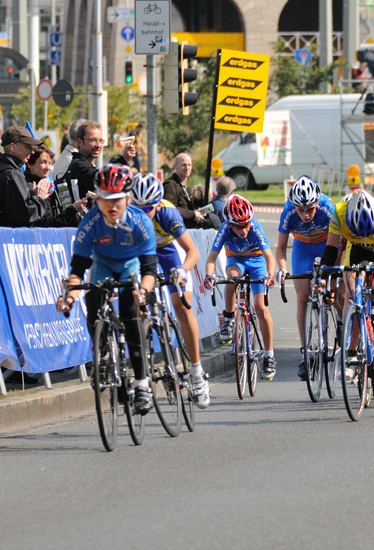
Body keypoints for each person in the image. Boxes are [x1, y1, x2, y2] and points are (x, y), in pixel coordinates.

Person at [56, 164, 158, 414]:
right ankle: (102, 354)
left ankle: (142, 383)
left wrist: (142, 292)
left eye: (117, 200)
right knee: (93, 302)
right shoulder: (90, 222)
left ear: (128, 198)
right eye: (105, 200)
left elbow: (150, 269)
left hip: (131, 265)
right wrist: (69, 297)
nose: (111, 207)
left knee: (130, 312)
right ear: (98, 198)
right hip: (102, 264)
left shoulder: (140, 221)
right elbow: (78, 269)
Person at [130, 173, 210, 409]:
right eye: (138, 208)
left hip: (167, 251)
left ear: (157, 203)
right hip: (141, 254)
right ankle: (142, 376)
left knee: (182, 308)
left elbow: (192, 252)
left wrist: (183, 271)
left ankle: (196, 372)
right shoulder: (127, 214)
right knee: (137, 306)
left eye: (149, 209)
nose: (144, 214)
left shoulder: (167, 212)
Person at [319, 190, 374, 381]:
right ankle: (351, 351)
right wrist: (324, 278)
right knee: (352, 293)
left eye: (370, 231)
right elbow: (330, 251)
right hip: (357, 249)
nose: (367, 236)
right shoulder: (339, 213)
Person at [202, 195, 279, 379]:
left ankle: (269, 355)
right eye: (238, 226)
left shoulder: (255, 228)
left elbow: (269, 257)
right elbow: (211, 258)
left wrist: (269, 275)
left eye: (245, 224)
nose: (243, 229)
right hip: (235, 259)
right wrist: (209, 275)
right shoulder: (224, 229)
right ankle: (229, 320)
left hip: (257, 260)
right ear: (229, 224)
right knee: (232, 278)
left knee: (261, 307)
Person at [274, 176, 336, 380]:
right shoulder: (288, 212)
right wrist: (282, 268)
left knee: (333, 292)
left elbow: (340, 242)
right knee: (302, 298)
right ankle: (305, 352)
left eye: (310, 209)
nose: (306, 214)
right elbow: (281, 247)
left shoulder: (328, 208)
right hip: (302, 247)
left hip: (327, 244)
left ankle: (343, 326)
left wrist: (329, 277)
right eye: (301, 209)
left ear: (317, 202)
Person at [0, 126, 54, 227]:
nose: (32, 152)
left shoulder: (0, 169)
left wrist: (31, 196)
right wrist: (39, 198)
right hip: (10, 239)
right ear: (13, 147)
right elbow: (26, 216)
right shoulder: (12, 174)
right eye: (28, 147)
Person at [25, 144, 88, 227]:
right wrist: (72, 209)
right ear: (30, 164)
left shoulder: (45, 184)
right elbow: (47, 223)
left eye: (50, 163)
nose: (48, 167)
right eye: (43, 162)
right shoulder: (32, 188)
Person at [163, 153, 208, 229]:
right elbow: (169, 208)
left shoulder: (184, 186)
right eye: (184, 165)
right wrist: (193, 215)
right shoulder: (171, 185)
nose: (187, 168)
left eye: (189, 165)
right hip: (176, 232)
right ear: (176, 166)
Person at [62, 120, 104, 202]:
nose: (98, 145)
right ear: (79, 142)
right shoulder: (78, 165)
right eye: (93, 140)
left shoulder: (84, 163)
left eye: (101, 141)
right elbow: (92, 177)